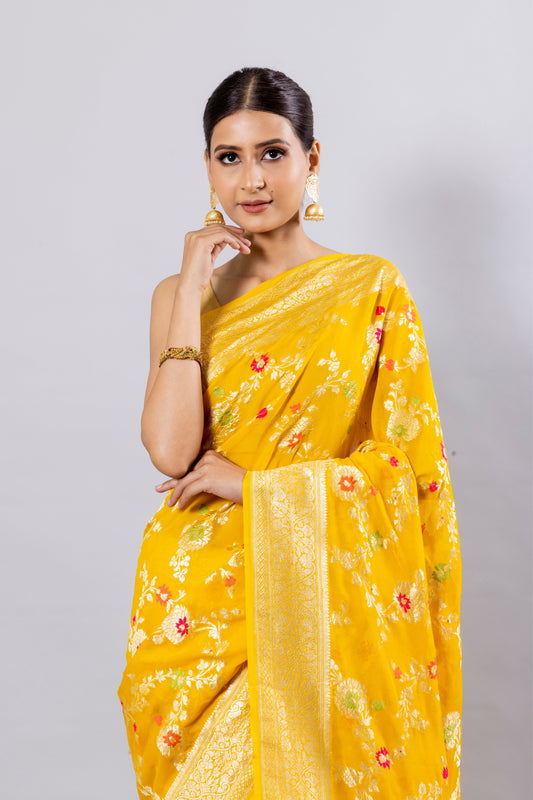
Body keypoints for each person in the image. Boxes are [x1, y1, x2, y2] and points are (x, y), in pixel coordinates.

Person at [118, 67, 462, 800]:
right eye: (229, 157)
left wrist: (254, 486)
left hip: (320, 590)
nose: (251, 179)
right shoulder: (178, 297)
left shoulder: (369, 288)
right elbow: (170, 451)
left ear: (312, 158)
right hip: (199, 604)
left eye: (272, 153)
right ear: (207, 167)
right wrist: (191, 287)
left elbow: (402, 470)